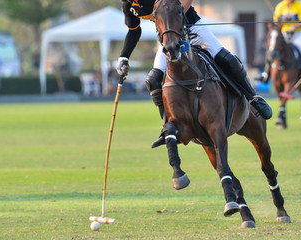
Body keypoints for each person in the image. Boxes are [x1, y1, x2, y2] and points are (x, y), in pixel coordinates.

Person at [116, 0, 272, 148]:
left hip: (192, 26)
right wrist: (124, 57)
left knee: (227, 59)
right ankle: (168, 128)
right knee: (153, 79)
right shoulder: (128, 7)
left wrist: (177, 15)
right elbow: (134, 32)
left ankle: (254, 98)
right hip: (169, 37)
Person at [258, 0, 301, 85]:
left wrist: (293, 27)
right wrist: (279, 20)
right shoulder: (280, 6)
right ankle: (266, 74)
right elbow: (276, 21)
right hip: (285, 33)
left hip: (299, 34)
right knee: (272, 49)